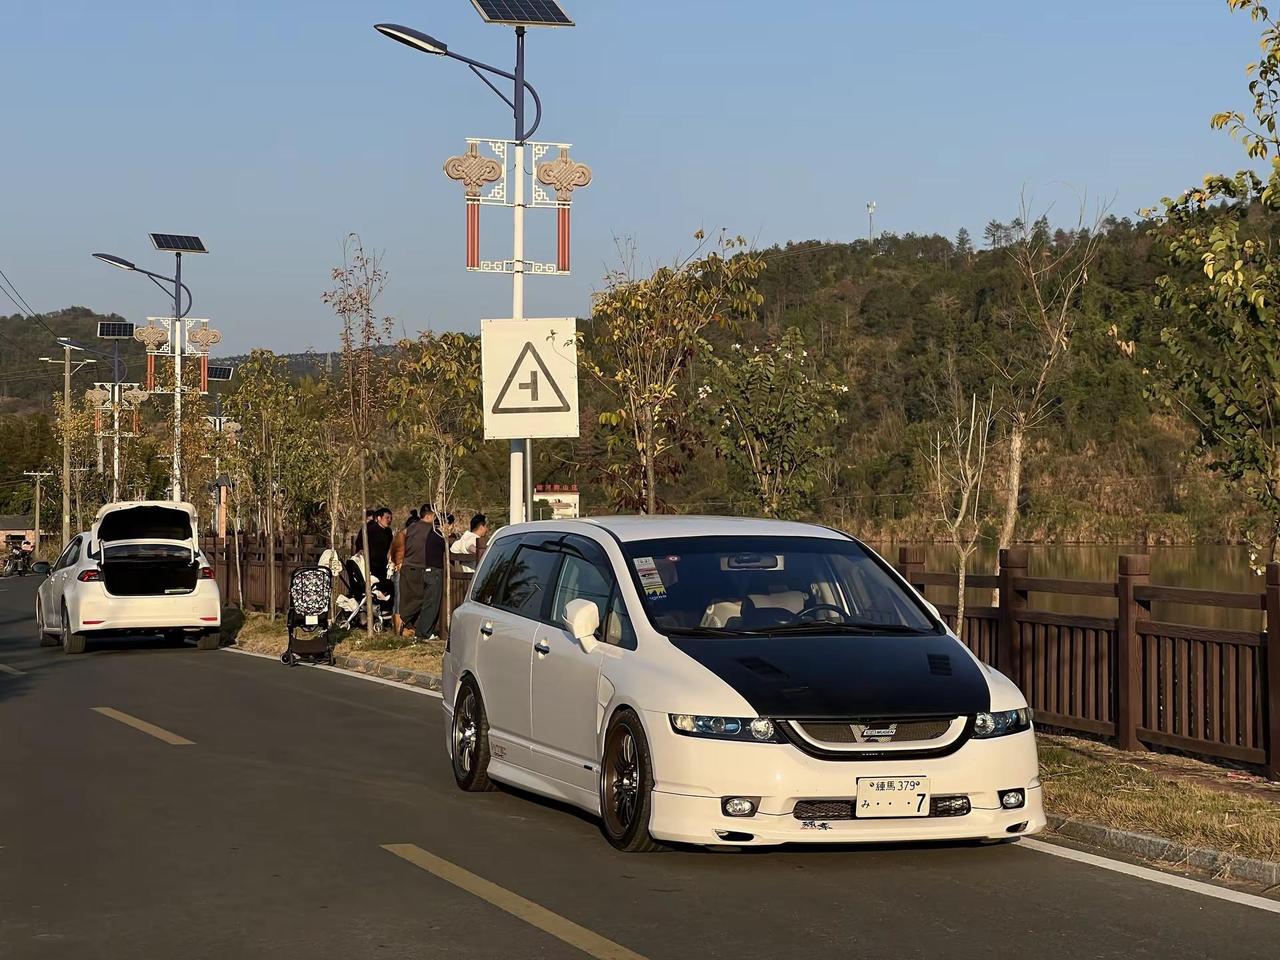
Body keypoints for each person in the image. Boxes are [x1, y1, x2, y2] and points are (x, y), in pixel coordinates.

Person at [390, 511, 418, 635]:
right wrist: (399, 563)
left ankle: (400, 626)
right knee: (400, 599)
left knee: (400, 599)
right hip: (401, 570)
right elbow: (397, 553)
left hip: (402, 569)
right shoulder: (404, 536)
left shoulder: (401, 535)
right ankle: (399, 627)